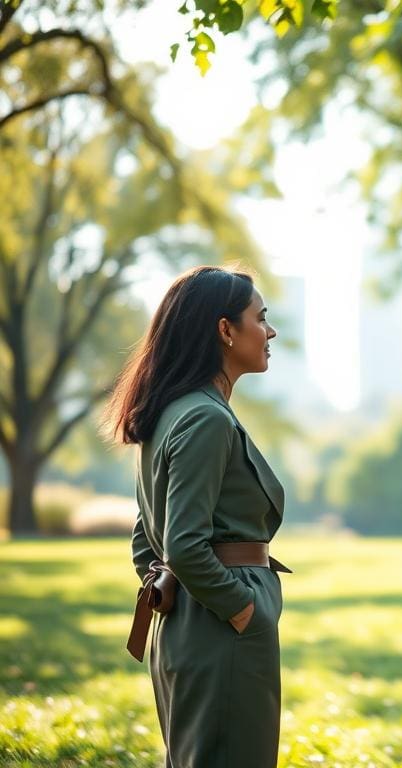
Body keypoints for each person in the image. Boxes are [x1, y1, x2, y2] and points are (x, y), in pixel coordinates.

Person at [105, 266, 290, 768]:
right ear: (225, 330)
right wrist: (243, 610)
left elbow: (149, 540)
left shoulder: (172, 411)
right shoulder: (205, 417)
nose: (270, 332)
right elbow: (180, 543)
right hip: (220, 633)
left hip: (191, 628)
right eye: (260, 318)